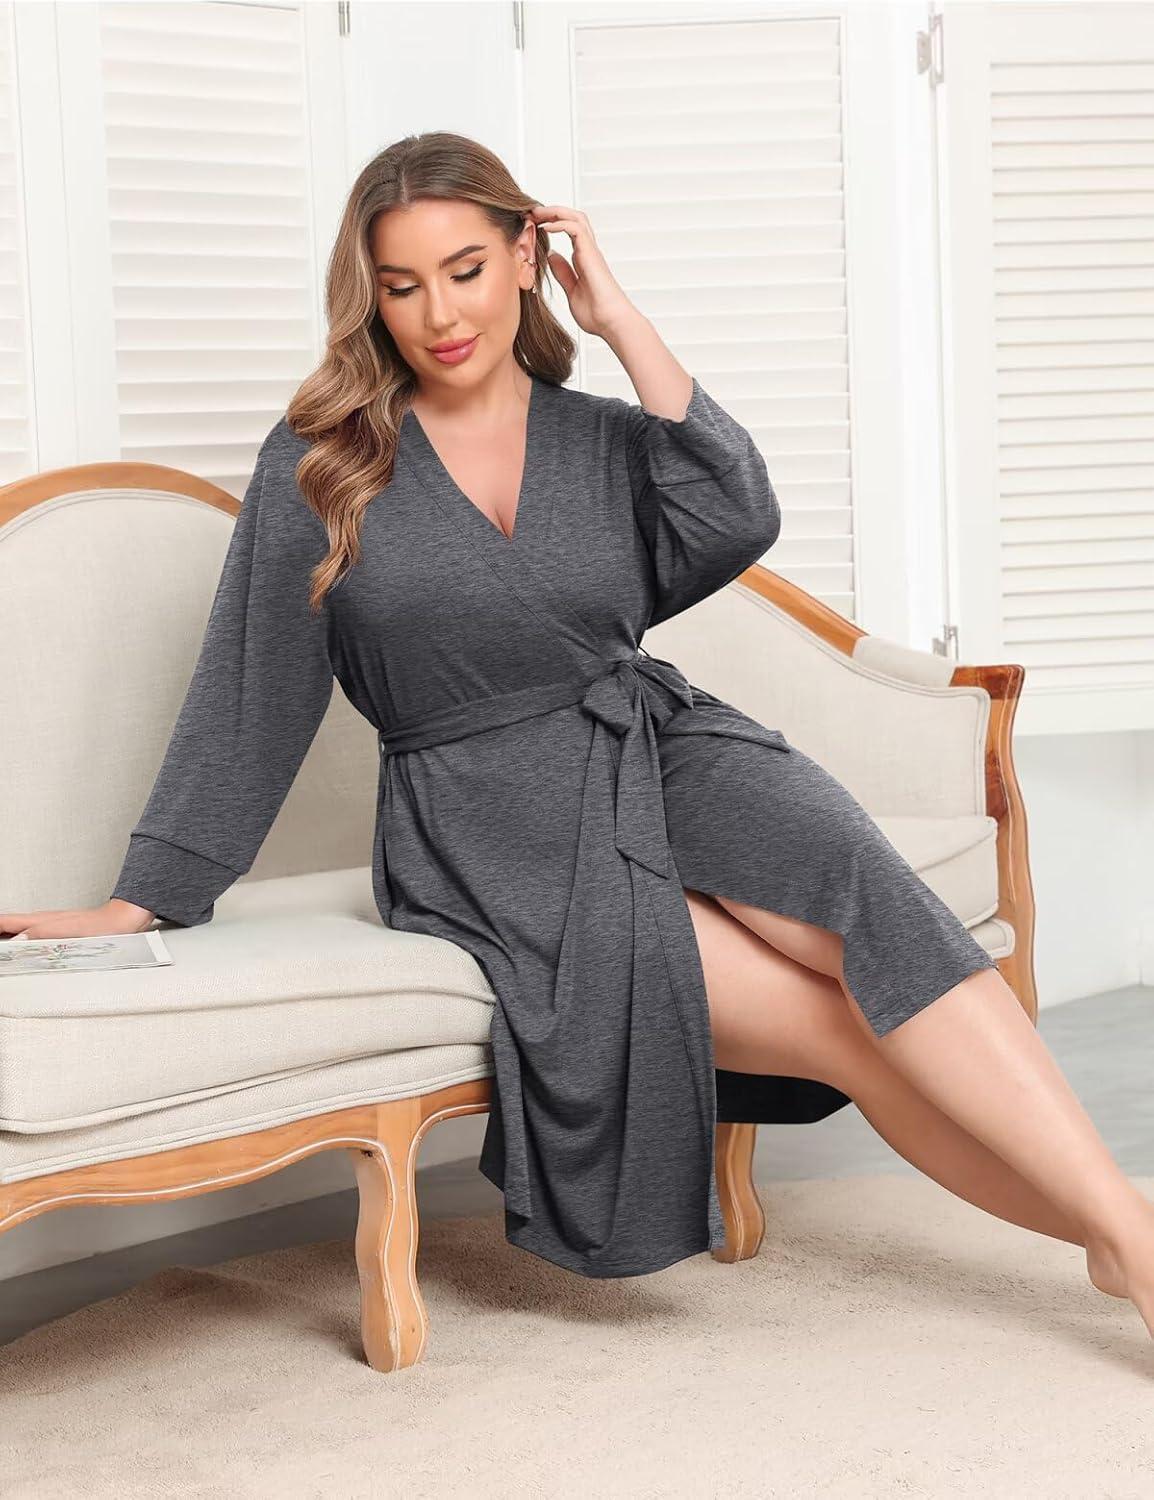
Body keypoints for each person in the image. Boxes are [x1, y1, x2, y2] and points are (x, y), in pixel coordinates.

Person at [4, 132, 1153, 1330]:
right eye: (402, 286)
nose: (440, 313)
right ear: (370, 300)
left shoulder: (603, 439)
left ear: (524, 257)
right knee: (840, 1028)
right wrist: (145, 898)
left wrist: (619, 322)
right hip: (493, 823)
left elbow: (736, 511)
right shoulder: (324, 464)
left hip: (663, 744)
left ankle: (1128, 1243)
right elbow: (249, 699)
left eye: (464, 270)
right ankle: (1123, 1243)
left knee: (887, 926)